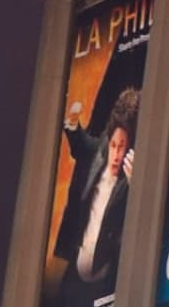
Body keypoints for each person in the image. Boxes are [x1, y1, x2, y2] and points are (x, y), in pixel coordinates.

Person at [57, 80, 140, 286]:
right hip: (76, 267)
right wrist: (74, 127)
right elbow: (84, 148)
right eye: (113, 145)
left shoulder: (134, 174)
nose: (116, 155)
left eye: (123, 147)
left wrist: (136, 187)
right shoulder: (104, 146)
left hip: (108, 279)